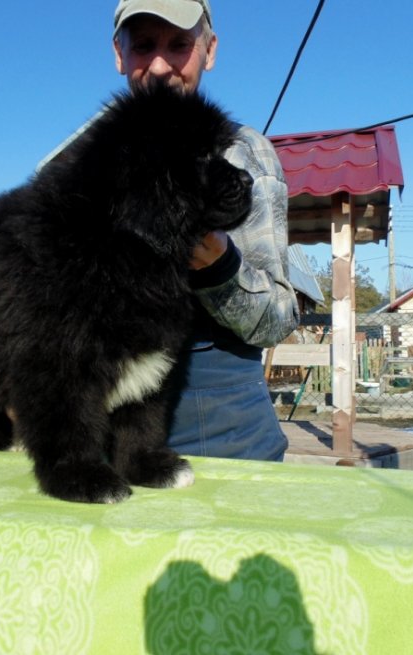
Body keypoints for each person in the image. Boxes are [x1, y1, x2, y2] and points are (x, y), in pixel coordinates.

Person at [112, 0, 300, 461]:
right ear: (119, 54)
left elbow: (278, 320)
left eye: (179, 45)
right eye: (143, 46)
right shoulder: (82, 161)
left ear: (209, 50)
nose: (158, 66)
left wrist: (218, 265)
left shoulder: (243, 156)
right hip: (102, 437)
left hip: (223, 437)